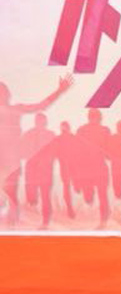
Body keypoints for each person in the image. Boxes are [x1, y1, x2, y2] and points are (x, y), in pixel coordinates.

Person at [0, 75, 72, 225]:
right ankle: (10, 217)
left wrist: (59, 91)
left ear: (7, 95)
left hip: (11, 160)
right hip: (9, 160)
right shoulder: (16, 110)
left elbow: (40, 106)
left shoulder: (16, 109)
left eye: (2, 93)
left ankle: (11, 219)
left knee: (10, 191)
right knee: (9, 191)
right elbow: (40, 106)